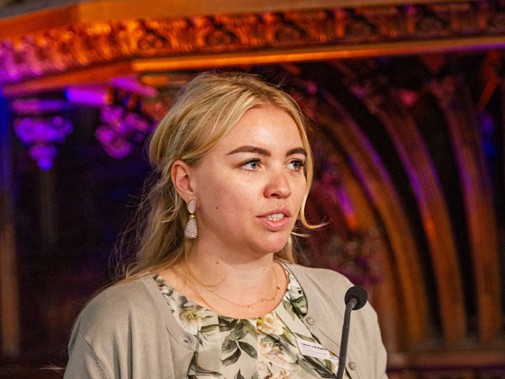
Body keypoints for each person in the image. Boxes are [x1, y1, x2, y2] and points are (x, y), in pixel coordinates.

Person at [64, 71, 388, 378]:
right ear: (187, 182)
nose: (283, 187)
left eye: (294, 163)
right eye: (252, 163)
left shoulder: (341, 300)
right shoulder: (122, 319)